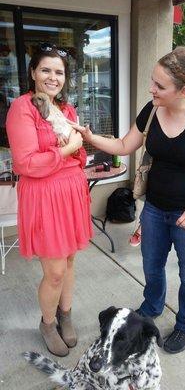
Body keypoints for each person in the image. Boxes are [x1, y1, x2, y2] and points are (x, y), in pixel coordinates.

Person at [75, 46, 185, 354]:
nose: (151, 89)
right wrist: (90, 137)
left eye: (159, 85)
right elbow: (123, 144)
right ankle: (152, 305)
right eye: (151, 81)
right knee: (152, 266)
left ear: (183, 90)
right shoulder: (153, 109)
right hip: (155, 209)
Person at [6, 43, 93, 357]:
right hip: (43, 196)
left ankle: (64, 313)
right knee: (54, 270)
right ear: (33, 72)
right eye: (46, 69)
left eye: (59, 72)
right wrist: (68, 149)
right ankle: (47, 322)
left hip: (70, 191)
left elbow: (81, 156)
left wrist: (78, 144)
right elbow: (26, 163)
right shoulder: (22, 107)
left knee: (69, 260)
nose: (53, 77)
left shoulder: (66, 110)